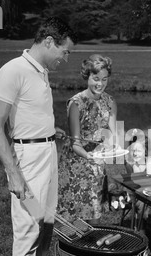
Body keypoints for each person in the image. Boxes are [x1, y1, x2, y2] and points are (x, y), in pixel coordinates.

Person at [0, 17, 77, 256]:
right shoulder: (13, 70)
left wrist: (51, 131)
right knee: (28, 232)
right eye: (65, 51)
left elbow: (27, 114)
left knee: (46, 225)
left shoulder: (40, 71)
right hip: (27, 161)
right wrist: (13, 173)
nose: (66, 57)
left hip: (48, 153)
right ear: (49, 42)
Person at [57, 54, 117, 226]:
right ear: (87, 76)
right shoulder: (76, 103)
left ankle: (93, 247)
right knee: (74, 216)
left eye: (104, 79)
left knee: (95, 211)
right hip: (76, 163)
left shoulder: (110, 101)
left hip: (97, 162)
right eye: (96, 78)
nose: (100, 84)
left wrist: (116, 146)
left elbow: (114, 133)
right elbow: (75, 143)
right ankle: (74, 247)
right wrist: (89, 157)